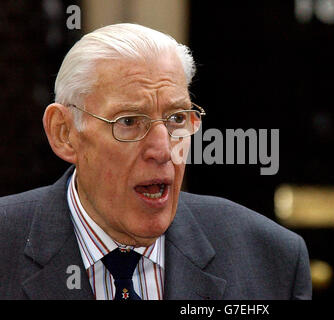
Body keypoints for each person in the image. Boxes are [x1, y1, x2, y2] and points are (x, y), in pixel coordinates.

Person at [0, 23, 311, 300]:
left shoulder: (272, 259)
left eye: (176, 118)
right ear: (64, 133)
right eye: (130, 121)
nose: (164, 151)